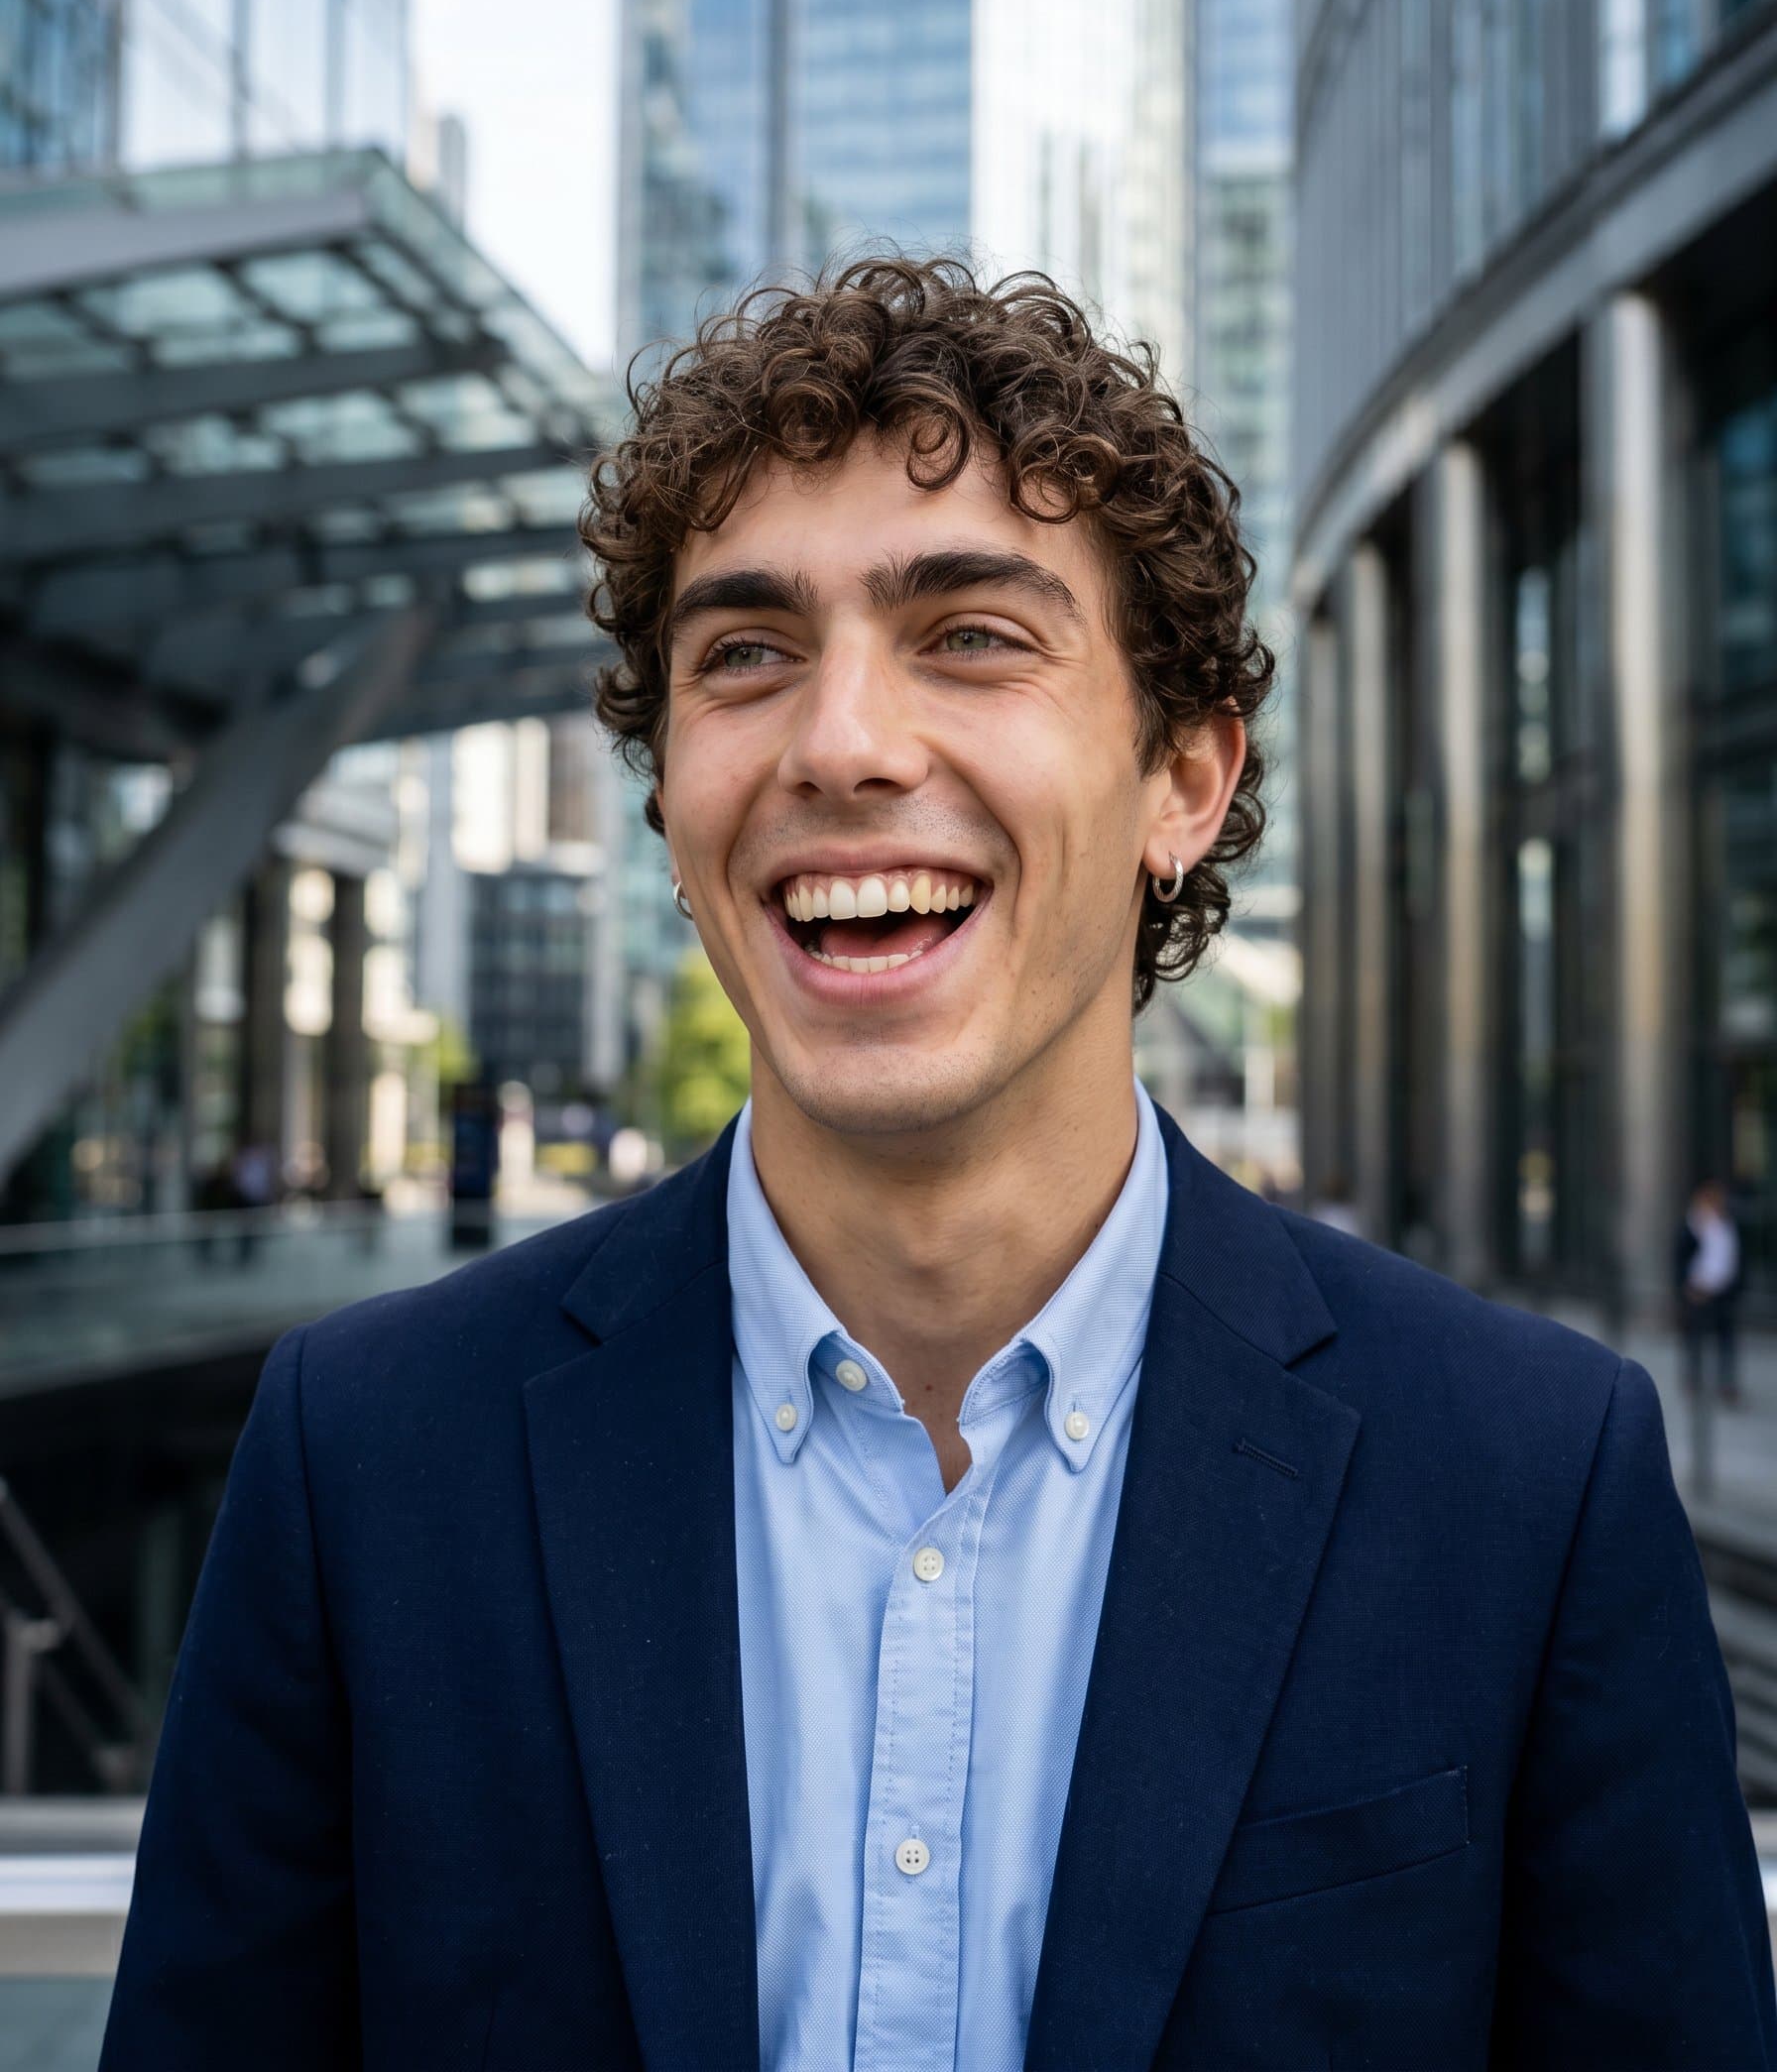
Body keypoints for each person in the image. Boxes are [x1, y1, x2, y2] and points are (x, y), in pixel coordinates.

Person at [100, 261, 1776, 2070]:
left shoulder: (1526, 1482)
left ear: (1183, 783)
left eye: (972, 635)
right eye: (744, 654)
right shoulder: (365, 1461)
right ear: (667, 801)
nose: (840, 744)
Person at [1676, 1176, 1744, 1407]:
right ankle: (1693, 1379)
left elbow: (1735, 1261)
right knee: (1694, 1339)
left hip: (1723, 1294)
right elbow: (1679, 1260)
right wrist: (1688, 1288)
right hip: (1697, 1293)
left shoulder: (1728, 1225)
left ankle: (1727, 1384)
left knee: (1726, 1341)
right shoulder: (1691, 1226)